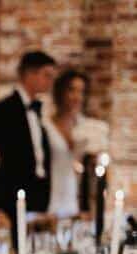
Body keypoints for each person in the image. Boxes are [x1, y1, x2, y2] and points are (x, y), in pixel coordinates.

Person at [0, 51, 56, 248]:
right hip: (11, 201)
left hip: (37, 198)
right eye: (47, 75)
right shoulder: (1, 112)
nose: (50, 82)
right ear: (30, 74)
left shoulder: (38, 111)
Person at [46, 69, 109, 216]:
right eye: (72, 90)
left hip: (77, 200)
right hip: (49, 198)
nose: (77, 97)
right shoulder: (46, 126)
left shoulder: (89, 128)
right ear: (60, 92)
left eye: (81, 92)